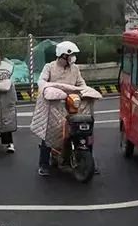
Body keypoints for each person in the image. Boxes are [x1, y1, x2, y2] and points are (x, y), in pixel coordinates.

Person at [32, 40, 95, 176]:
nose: (73, 58)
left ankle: (89, 162)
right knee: (50, 132)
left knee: (84, 130)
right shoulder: (49, 67)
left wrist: (86, 91)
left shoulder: (75, 69)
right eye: (71, 55)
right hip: (55, 105)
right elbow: (42, 82)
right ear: (63, 55)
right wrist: (49, 90)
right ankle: (44, 164)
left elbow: (81, 83)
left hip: (72, 103)